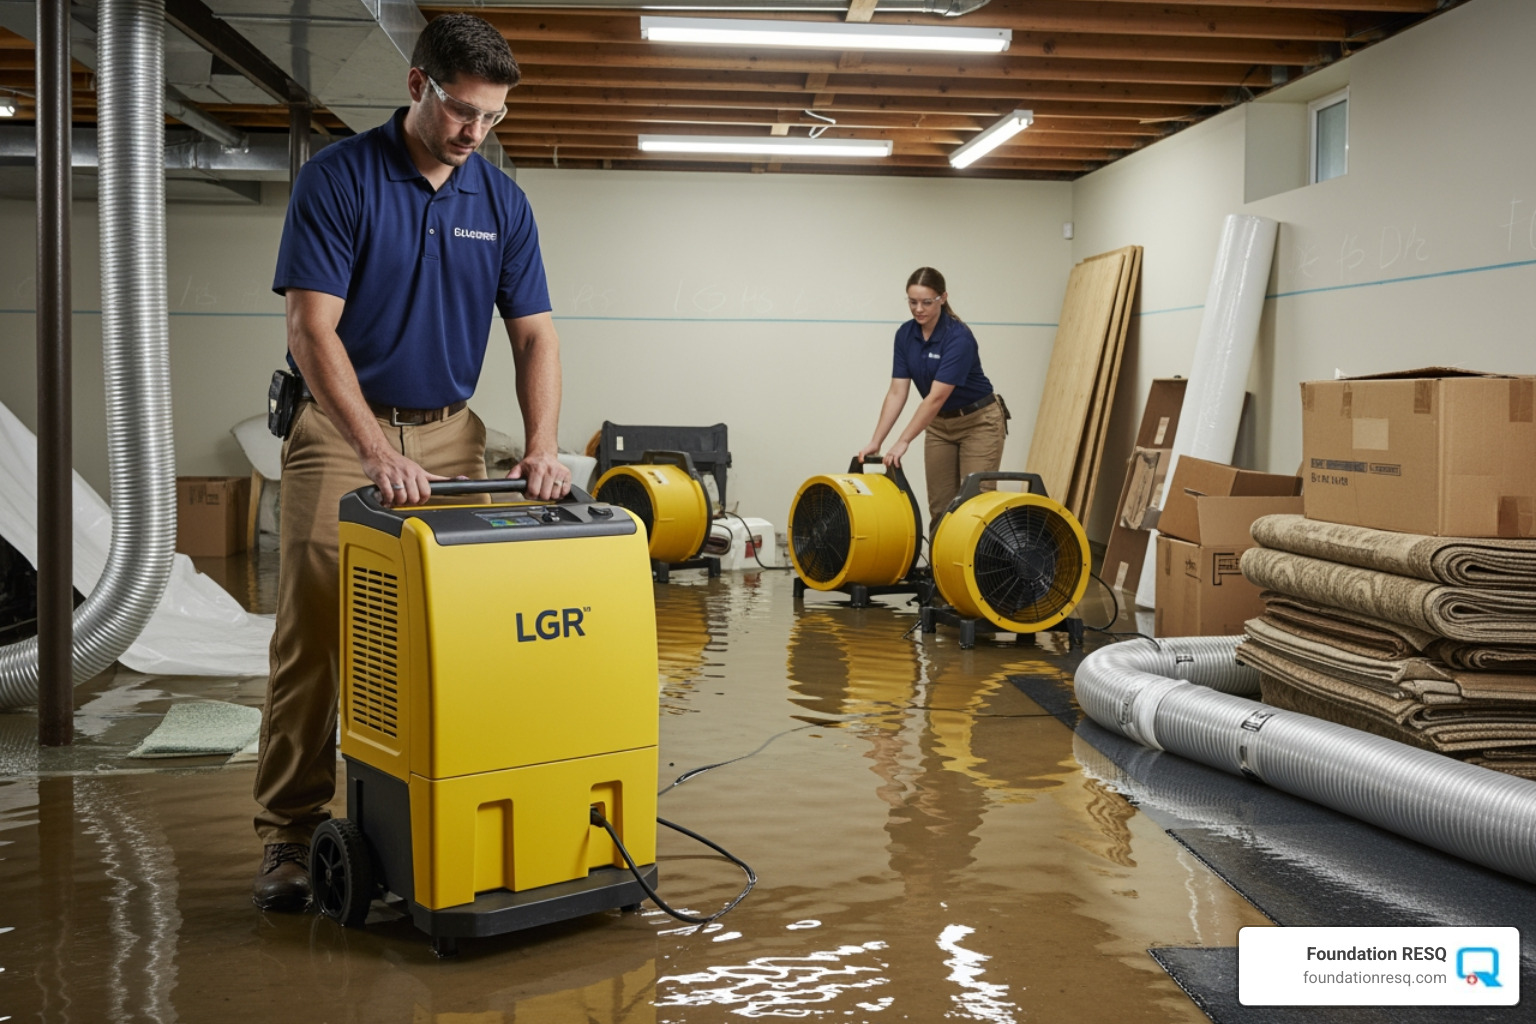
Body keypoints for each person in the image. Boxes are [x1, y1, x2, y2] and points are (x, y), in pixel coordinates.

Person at [252, 13, 571, 911]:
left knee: (455, 636)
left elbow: (536, 336)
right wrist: (369, 450)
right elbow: (311, 330)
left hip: (454, 433)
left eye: (493, 119)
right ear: (418, 85)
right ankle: (285, 833)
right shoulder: (340, 180)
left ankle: (449, 808)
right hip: (338, 431)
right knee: (315, 633)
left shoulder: (501, 203)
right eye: (463, 112)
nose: (475, 134)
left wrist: (540, 444)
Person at [856, 266, 1007, 535]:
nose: (918, 309)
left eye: (926, 302)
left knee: (974, 503)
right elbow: (897, 392)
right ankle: (942, 571)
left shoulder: (958, 337)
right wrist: (877, 441)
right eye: (912, 302)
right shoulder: (905, 335)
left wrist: (903, 441)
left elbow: (935, 398)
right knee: (941, 506)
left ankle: (975, 573)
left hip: (978, 423)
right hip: (939, 425)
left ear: (943, 298)